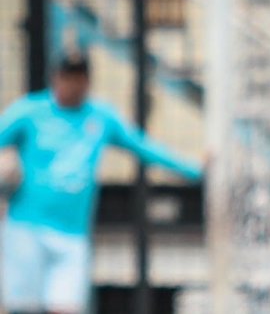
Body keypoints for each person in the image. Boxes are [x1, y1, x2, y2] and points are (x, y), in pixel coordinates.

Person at [0, 54, 204, 314]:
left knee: (66, 306)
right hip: (27, 227)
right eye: (65, 80)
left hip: (72, 232)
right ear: (55, 79)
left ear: (86, 82)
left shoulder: (100, 117)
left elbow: (145, 148)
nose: (70, 88)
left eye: (77, 81)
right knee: (24, 307)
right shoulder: (29, 111)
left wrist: (196, 171)